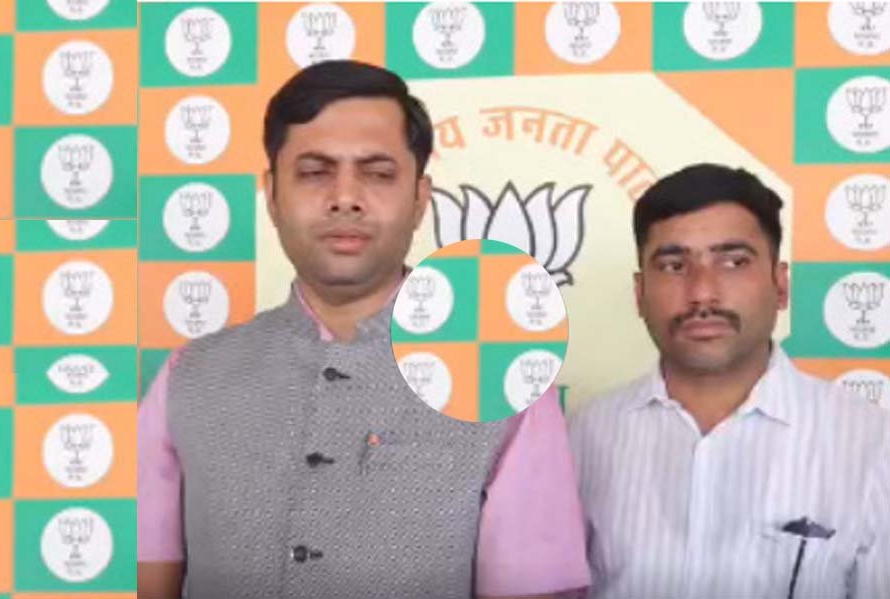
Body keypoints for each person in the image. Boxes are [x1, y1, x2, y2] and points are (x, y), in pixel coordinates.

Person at [137, 60, 590, 599]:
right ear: (272, 195)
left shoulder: (502, 374)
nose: (345, 197)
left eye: (377, 174)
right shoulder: (191, 375)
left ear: (420, 199)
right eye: (314, 172)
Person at [568, 163, 890, 598]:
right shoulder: (582, 439)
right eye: (673, 265)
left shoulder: (871, 444)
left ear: (780, 285)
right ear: (639, 294)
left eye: (734, 262)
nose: (702, 292)